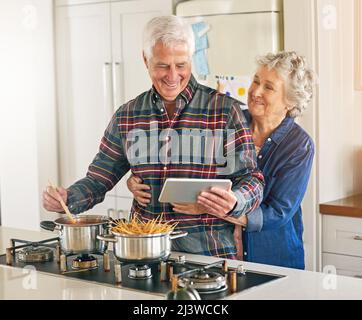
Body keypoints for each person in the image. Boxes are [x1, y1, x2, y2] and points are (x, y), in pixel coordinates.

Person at [42, 15, 264, 259]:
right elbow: (98, 179)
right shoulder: (127, 115)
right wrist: (67, 198)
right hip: (142, 255)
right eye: (162, 65)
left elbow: (251, 179)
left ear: (191, 59)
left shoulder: (224, 111)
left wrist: (235, 201)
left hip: (209, 256)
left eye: (181, 65)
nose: (172, 76)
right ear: (145, 59)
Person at [127, 51, 316, 269]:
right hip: (219, 254)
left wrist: (211, 208)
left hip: (272, 258)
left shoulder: (299, 145)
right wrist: (138, 179)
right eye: (256, 81)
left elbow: (278, 212)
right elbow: (182, 165)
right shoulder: (228, 119)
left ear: (290, 101)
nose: (255, 91)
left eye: (269, 87)